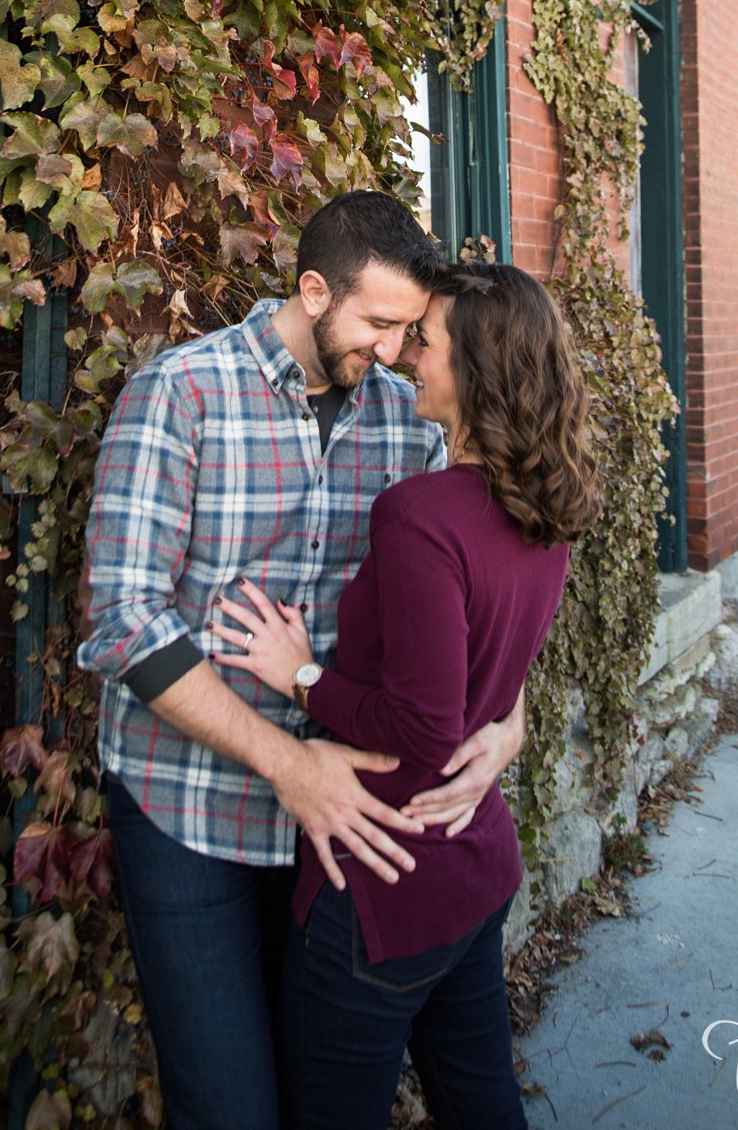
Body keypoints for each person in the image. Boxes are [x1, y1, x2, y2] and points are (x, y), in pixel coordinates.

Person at [77, 193, 527, 1130]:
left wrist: (506, 718)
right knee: (230, 1105)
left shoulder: (410, 423)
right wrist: (288, 764)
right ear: (314, 291)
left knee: (316, 1095)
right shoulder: (181, 393)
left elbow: (480, 579)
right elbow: (123, 621)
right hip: (187, 808)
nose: (397, 353)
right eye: (377, 325)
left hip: (336, 829)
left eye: (411, 331)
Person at [213, 263, 601, 1130]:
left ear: (477, 371)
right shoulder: (541, 506)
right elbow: (489, 684)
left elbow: (419, 730)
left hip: (382, 882)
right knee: (480, 1099)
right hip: (472, 862)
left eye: (427, 342)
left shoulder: (421, 514)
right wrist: (506, 730)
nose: (407, 357)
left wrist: (302, 676)